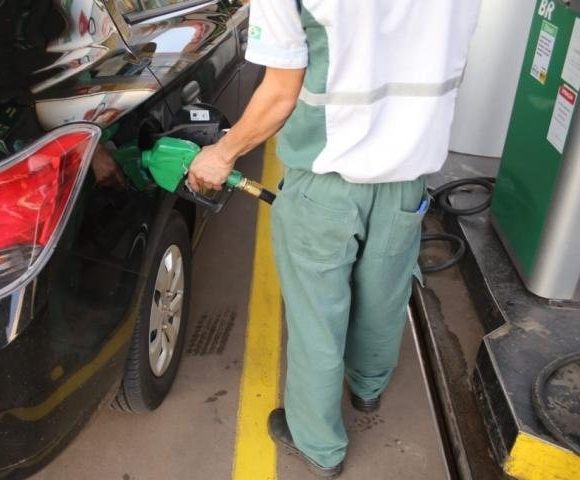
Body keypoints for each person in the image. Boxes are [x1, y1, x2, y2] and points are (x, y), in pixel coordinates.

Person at [187, 0, 481, 477]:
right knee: (384, 296)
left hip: (327, 182)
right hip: (408, 179)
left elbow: (281, 94)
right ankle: (367, 388)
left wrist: (222, 154)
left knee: (317, 316)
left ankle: (318, 443)